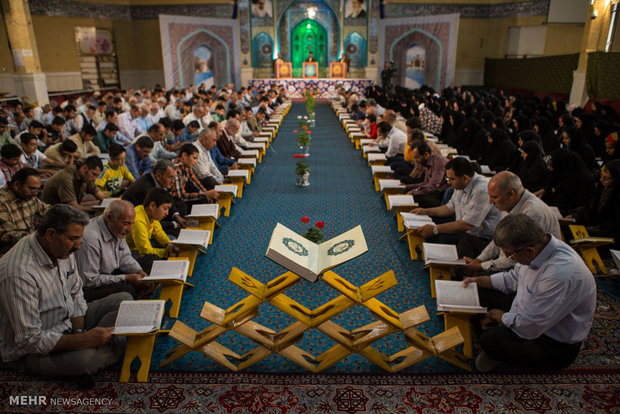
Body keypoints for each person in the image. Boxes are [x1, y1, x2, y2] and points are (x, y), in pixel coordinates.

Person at [0, 205, 130, 387]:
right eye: (74, 239)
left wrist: (80, 333)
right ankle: (109, 349)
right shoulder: (19, 273)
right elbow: (30, 339)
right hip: (33, 351)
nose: (78, 246)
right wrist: (85, 340)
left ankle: (97, 350)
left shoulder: (61, 249)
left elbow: (76, 292)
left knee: (123, 299)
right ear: (51, 234)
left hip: (68, 323)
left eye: (80, 239)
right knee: (86, 360)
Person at [463, 214, 596, 371]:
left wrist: (496, 316)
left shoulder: (559, 274)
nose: (506, 257)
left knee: (490, 341)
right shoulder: (539, 248)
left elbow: (530, 327)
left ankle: (502, 352)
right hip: (529, 315)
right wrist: (479, 281)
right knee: (479, 287)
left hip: (552, 341)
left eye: (508, 254)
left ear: (529, 251)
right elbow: (513, 278)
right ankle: (498, 344)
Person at [461, 171, 561, 275]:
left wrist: (481, 266)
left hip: (529, 269)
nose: (490, 201)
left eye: (494, 197)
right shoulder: (509, 203)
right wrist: (479, 260)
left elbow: (517, 256)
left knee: (475, 280)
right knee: (466, 241)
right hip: (509, 258)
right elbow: (497, 240)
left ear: (511, 194)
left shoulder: (533, 213)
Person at [412, 157, 501, 257]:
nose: (448, 182)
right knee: (433, 225)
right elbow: (449, 208)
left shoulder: (482, 190)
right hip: (466, 230)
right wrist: (425, 211)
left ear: (465, 178)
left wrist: (435, 229)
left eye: (451, 179)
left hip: (482, 237)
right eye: (448, 178)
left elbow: (467, 225)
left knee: (442, 236)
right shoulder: (460, 185)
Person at [77, 200, 151, 302]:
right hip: (91, 287)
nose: (130, 229)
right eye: (126, 224)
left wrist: (139, 272)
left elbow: (125, 256)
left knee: (151, 261)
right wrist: (126, 278)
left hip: (112, 273)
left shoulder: (117, 228)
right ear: (109, 218)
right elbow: (90, 281)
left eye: (131, 224)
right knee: (125, 290)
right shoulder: (90, 240)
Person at [122, 159, 188, 234]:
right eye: (170, 177)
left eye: (173, 178)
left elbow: (167, 200)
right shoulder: (145, 190)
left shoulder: (158, 181)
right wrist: (174, 224)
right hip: (137, 224)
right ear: (159, 176)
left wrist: (176, 216)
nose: (173, 181)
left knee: (181, 205)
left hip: (155, 213)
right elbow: (152, 219)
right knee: (177, 232)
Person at [126, 188, 179, 272]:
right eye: (165, 208)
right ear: (152, 205)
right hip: (133, 251)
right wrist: (166, 252)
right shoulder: (138, 222)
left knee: (172, 239)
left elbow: (158, 233)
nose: (167, 213)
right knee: (154, 260)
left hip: (145, 243)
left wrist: (168, 244)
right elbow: (145, 251)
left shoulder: (150, 213)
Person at [0, 168, 49, 253]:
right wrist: (39, 237)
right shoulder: (2, 202)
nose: (36, 193)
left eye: (38, 189)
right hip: (10, 250)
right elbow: (7, 235)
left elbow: (48, 210)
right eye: (32, 188)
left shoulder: (29, 196)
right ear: (17, 185)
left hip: (30, 243)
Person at [41, 156, 107, 213]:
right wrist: (98, 210)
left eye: (97, 176)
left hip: (69, 209)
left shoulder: (87, 177)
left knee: (99, 204)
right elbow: (74, 208)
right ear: (84, 168)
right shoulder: (66, 178)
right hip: (53, 213)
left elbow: (102, 197)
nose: (95, 179)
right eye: (94, 174)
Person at [404, 139, 449, 207]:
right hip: (434, 191)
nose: (415, 161)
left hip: (442, 194)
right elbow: (426, 183)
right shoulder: (427, 162)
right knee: (406, 189)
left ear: (426, 155)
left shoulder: (439, 162)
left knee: (416, 198)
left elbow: (433, 186)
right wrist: (407, 187)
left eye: (417, 157)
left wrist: (414, 192)